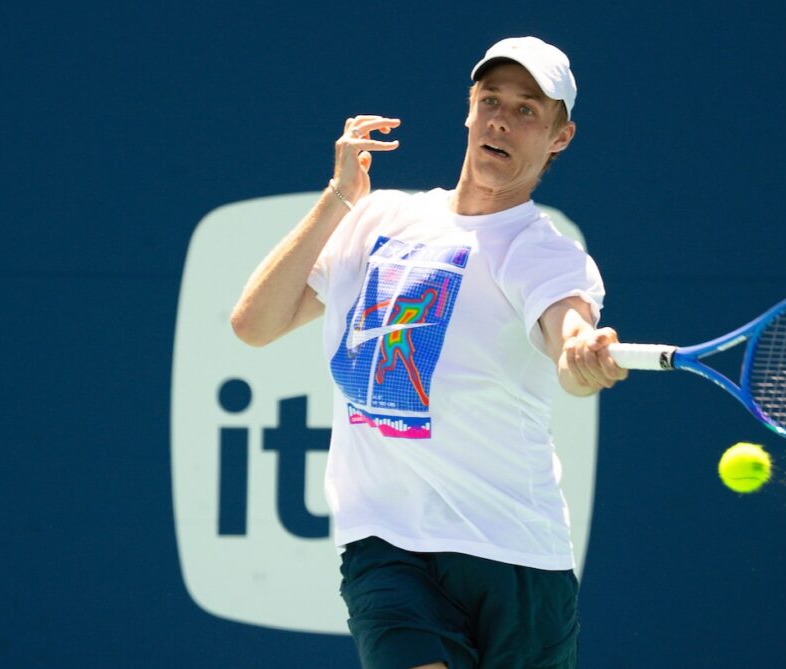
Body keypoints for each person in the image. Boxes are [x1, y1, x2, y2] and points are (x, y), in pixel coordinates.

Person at [230, 36, 625, 669]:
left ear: (560, 136)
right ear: (469, 111)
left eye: (528, 109)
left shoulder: (544, 252)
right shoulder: (375, 217)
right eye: (490, 99)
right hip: (385, 546)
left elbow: (568, 336)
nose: (501, 118)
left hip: (517, 558)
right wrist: (338, 197)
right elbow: (255, 323)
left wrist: (582, 353)